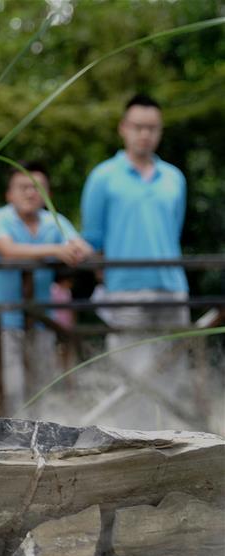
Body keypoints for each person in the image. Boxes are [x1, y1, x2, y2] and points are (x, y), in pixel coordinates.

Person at [81, 94, 189, 378]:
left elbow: (173, 230)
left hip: (173, 288)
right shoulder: (102, 177)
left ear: (160, 131)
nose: (145, 134)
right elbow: (92, 238)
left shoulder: (174, 178)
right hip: (124, 289)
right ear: (123, 128)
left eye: (152, 128)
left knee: (174, 375)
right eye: (138, 126)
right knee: (130, 374)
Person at [0, 163, 91, 416]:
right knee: (12, 389)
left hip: (43, 321)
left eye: (37, 187)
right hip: (3, 321)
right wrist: (54, 251)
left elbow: (82, 248)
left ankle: (36, 444)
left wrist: (75, 250)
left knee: (41, 389)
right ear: (9, 194)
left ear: (48, 195)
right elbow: (7, 250)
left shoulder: (55, 222)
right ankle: (14, 446)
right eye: (23, 187)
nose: (30, 193)